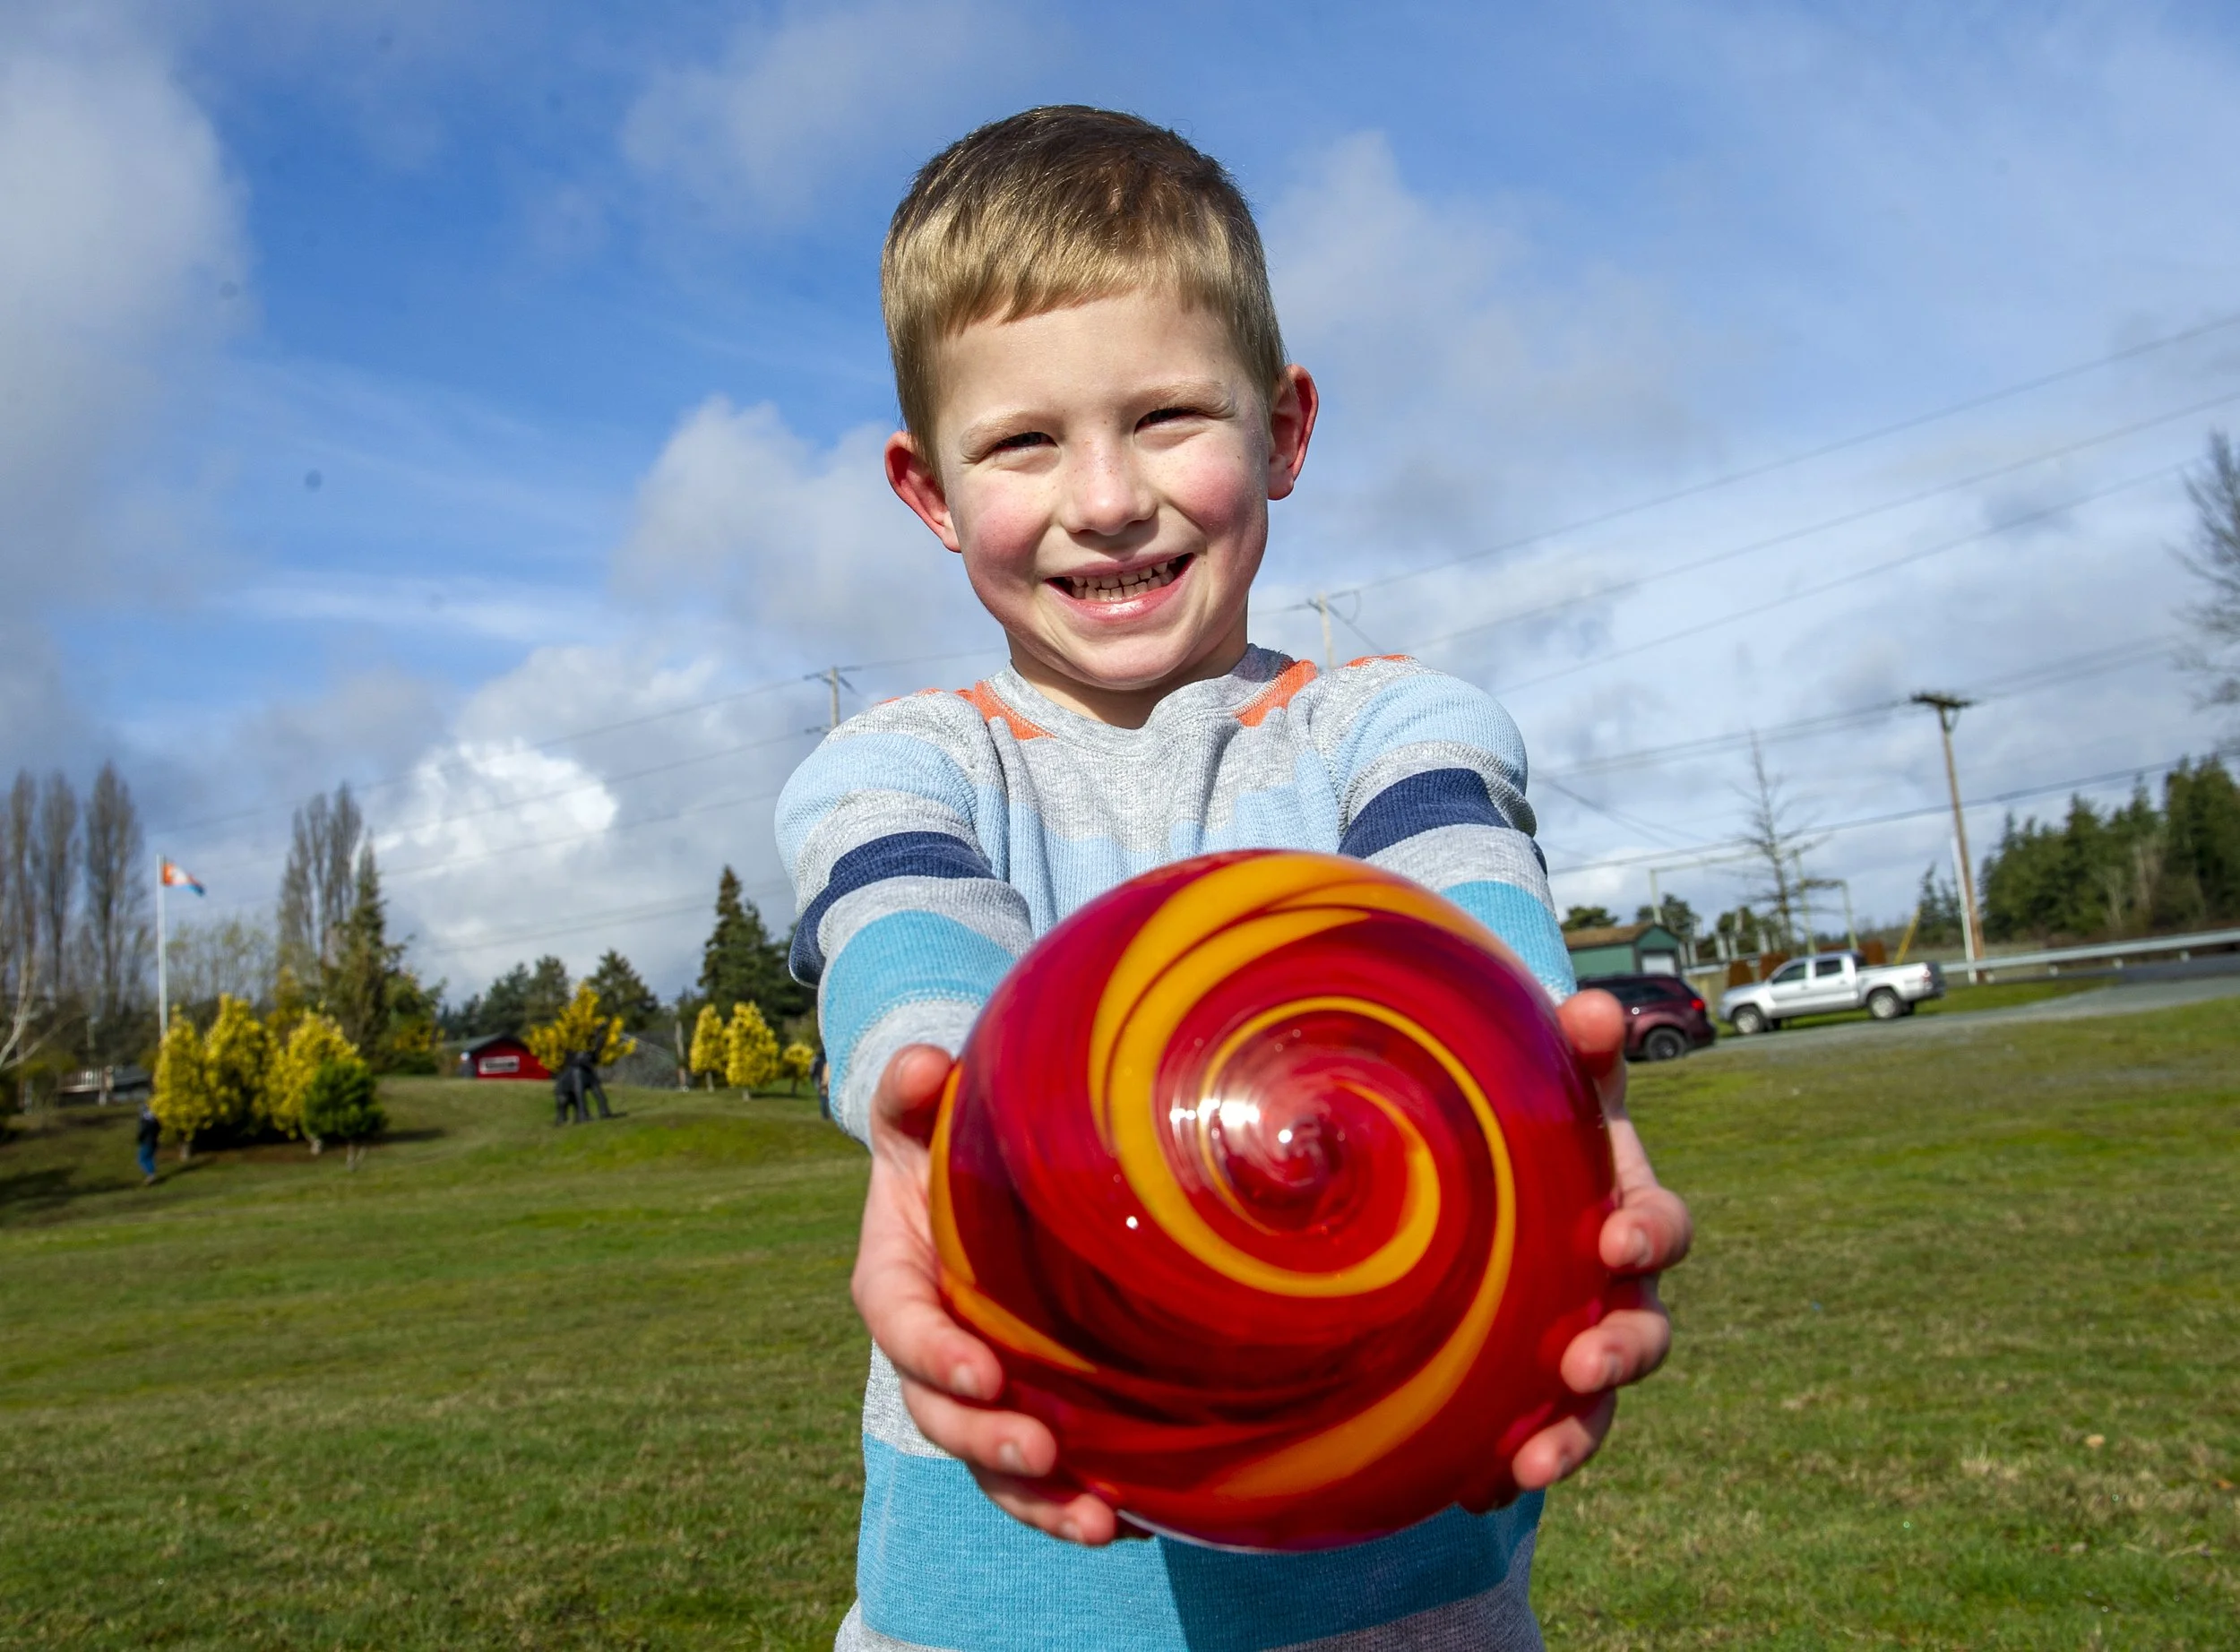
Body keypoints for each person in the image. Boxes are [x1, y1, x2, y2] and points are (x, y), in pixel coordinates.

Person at [776, 107, 1693, 1652]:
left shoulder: (1388, 726)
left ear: (1286, 428)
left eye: (1166, 417)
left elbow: (1468, 908)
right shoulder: (902, 766)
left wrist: (1550, 1113)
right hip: (987, 1611)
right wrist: (927, 1124)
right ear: (927, 492)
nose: (1109, 495)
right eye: (1022, 440)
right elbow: (904, 946)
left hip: (1400, 1587)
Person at [134, 1104, 160, 1185]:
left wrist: (139, 1139)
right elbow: (159, 1128)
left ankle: (151, 1174)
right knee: (149, 1158)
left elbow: (142, 1131)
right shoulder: (154, 1119)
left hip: (146, 1142)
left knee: (142, 1158)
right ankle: (152, 1173)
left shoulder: (144, 1120)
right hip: (154, 1141)